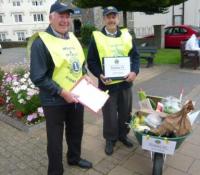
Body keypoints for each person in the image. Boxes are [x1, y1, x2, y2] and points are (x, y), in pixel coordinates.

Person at [29, 1, 92, 175]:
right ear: (50, 18)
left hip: (77, 96)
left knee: (76, 130)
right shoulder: (40, 43)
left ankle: (74, 158)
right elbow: (37, 77)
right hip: (54, 100)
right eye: (60, 16)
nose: (65, 20)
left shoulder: (72, 38)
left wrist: (85, 74)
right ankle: (55, 170)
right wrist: (62, 92)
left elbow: (80, 63)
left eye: (67, 16)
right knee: (55, 139)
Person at [87, 6, 140, 155]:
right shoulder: (96, 37)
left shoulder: (126, 35)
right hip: (107, 84)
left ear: (118, 19)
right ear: (104, 19)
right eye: (108, 17)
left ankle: (123, 135)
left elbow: (135, 57)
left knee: (125, 112)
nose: (111, 20)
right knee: (109, 114)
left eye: (113, 17)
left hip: (125, 83)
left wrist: (134, 72)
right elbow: (91, 61)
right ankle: (110, 139)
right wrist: (99, 75)